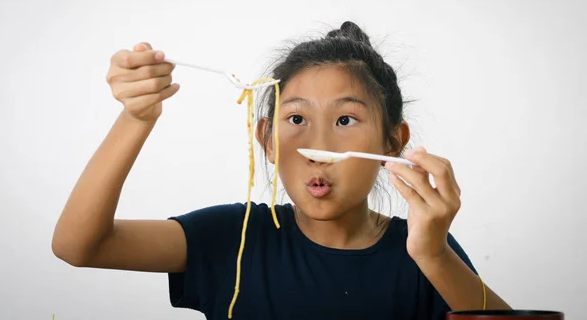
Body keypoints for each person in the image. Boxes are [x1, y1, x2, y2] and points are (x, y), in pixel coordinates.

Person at [52, 21, 511, 319]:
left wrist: (433, 256)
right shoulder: (234, 237)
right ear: (267, 139)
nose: (317, 148)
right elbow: (79, 246)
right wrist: (136, 118)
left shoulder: (426, 252)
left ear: (394, 141)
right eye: (296, 120)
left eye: (345, 120)